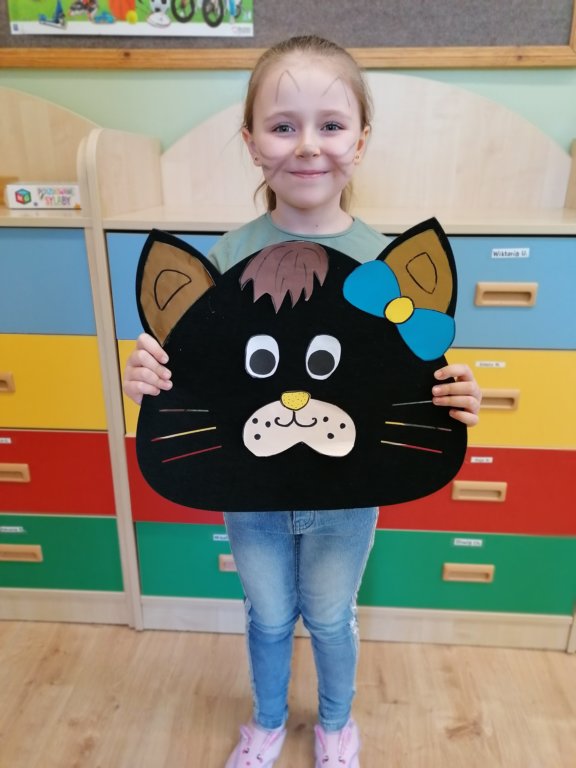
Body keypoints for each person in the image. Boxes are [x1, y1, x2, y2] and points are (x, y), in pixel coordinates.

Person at [123, 35, 482, 768]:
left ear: (361, 140)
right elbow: (192, 371)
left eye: (331, 124)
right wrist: (148, 374)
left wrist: (456, 394)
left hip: (347, 493)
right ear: (252, 142)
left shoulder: (383, 264)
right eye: (284, 126)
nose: (308, 145)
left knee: (328, 616)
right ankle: (266, 722)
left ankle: (336, 725)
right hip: (249, 491)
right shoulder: (226, 259)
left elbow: (414, 371)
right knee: (267, 614)